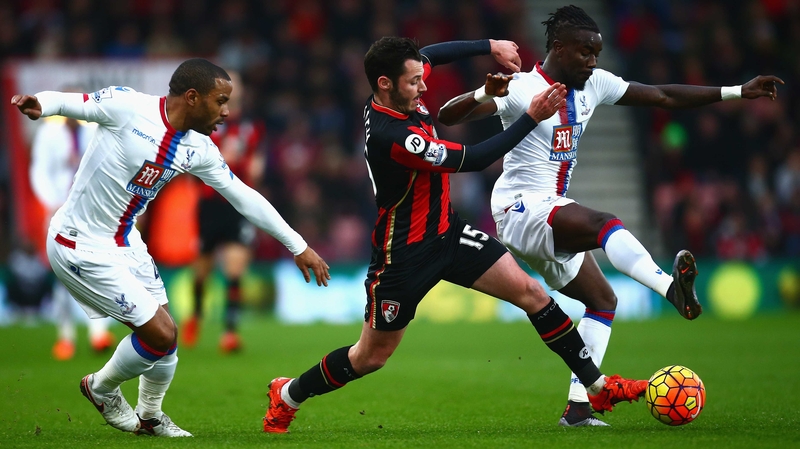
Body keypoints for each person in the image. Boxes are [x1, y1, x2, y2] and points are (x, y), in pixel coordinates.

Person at [262, 37, 647, 434]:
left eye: (420, 77)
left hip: (448, 232)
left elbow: (431, 54)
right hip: (404, 255)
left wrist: (489, 45)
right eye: (414, 82)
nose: (424, 86)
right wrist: (531, 117)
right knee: (369, 357)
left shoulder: (400, 90)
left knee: (533, 295)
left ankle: (596, 388)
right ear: (384, 84)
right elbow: (474, 160)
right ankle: (288, 394)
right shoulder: (393, 135)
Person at [437, 5, 784, 427]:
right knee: (604, 224)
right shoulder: (521, 87)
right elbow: (445, 116)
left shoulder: (594, 83)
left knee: (602, 301)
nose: (593, 61)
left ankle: (578, 408)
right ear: (558, 48)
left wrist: (736, 91)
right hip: (519, 206)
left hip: (551, 210)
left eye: (596, 53)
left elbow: (662, 95)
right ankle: (671, 289)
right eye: (585, 52)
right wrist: (484, 93)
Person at [11, 58, 330, 437]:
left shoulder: (200, 148)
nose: (227, 112)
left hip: (126, 240)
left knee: (168, 336)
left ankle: (150, 416)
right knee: (160, 335)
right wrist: (40, 104)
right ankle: (100, 387)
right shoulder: (128, 106)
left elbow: (245, 197)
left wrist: (298, 245)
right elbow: (74, 103)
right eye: (220, 101)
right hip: (78, 243)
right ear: (192, 97)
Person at [182, 70, 266, 353]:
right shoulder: (205, 123)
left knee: (234, 267)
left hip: (238, 205)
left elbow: (256, 159)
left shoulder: (250, 127)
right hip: (210, 204)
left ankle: (230, 333)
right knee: (202, 271)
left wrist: (255, 166)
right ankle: (195, 316)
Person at [29, 104, 115, 361]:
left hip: (91, 210)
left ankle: (98, 332)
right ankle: (65, 337)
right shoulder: (49, 133)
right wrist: (50, 201)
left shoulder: (95, 129)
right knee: (61, 274)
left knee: (97, 267)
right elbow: (39, 170)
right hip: (59, 209)